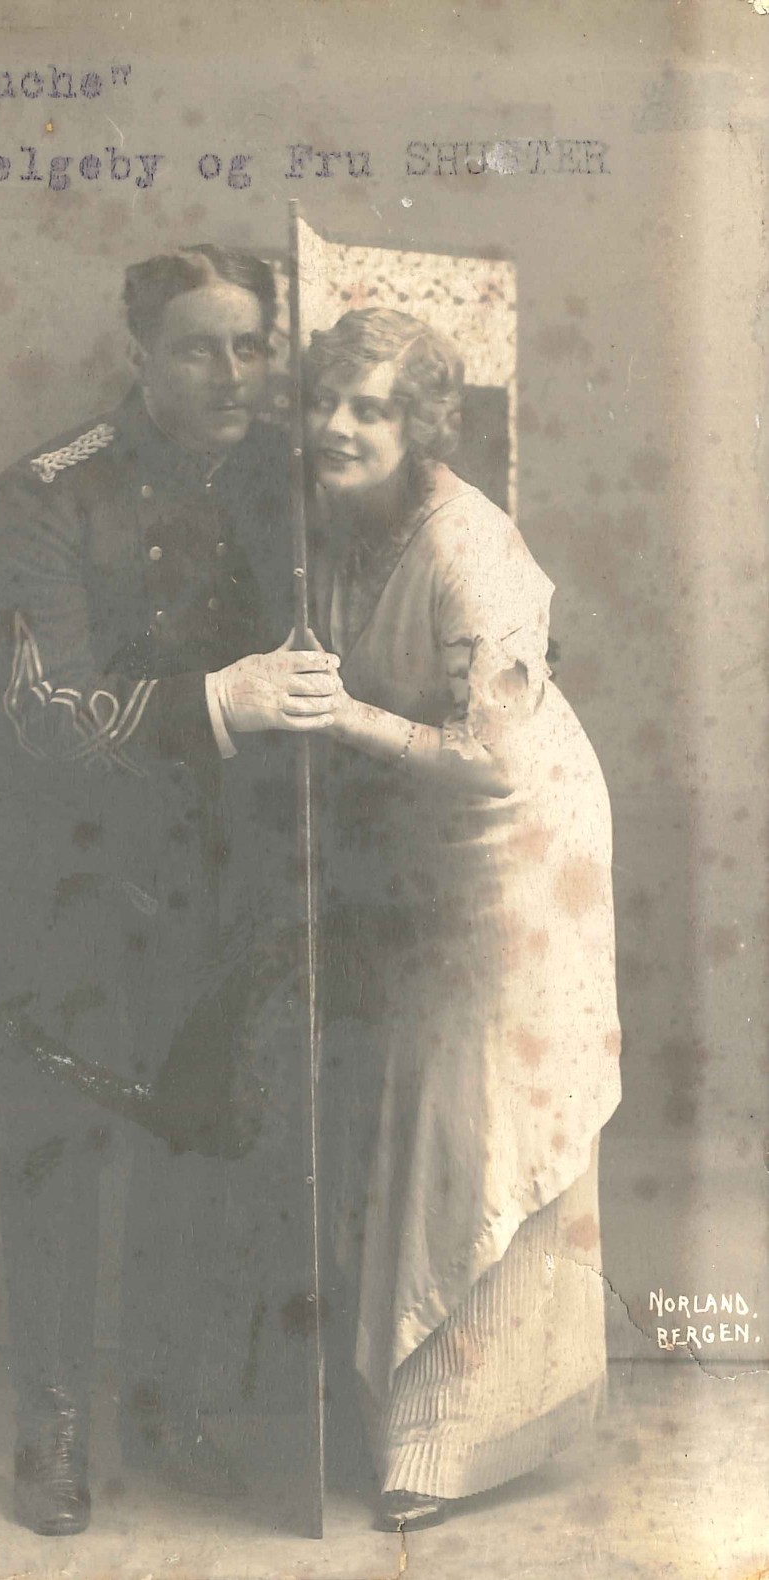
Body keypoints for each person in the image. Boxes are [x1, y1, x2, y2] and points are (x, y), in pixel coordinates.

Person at [0, 244, 342, 1536]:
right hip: (72, 870)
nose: (231, 373)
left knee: (197, 1139)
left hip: (219, 868)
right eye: (198, 347)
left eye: (252, 346)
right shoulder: (49, 488)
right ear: (138, 354)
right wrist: (219, 698)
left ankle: (166, 1403)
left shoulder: (287, 474)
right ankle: (51, 1429)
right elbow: (44, 715)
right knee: (61, 1144)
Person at [303, 309, 622, 1532]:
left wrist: (342, 718)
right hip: (421, 845)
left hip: (517, 849)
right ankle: (403, 1410)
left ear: (421, 424)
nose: (338, 426)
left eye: (371, 408)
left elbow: (492, 759)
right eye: (327, 400)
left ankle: (449, 1439)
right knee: (414, 1102)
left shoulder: (468, 544)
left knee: (479, 1109)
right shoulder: (339, 518)